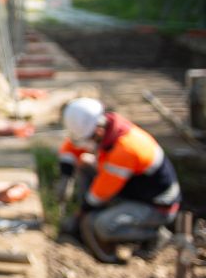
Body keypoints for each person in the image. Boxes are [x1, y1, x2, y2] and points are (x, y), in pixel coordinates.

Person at [57, 98, 181, 262]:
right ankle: (92, 222)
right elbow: (72, 146)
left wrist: (80, 215)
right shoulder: (106, 127)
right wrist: (66, 174)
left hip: (157, 206)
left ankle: (156, 235)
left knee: (103, 226)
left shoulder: (125, 149)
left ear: (99, 132)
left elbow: (100, 195)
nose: (84, 145)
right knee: (85, 166)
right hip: (134, 189)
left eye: (87, 140)